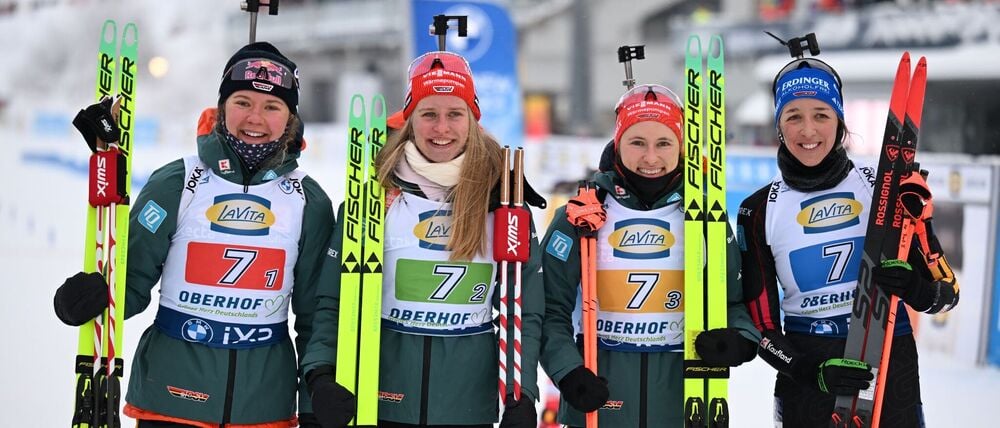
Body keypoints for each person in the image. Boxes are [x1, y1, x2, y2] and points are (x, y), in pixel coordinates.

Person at [53, 42, 335, 427]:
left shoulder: (308, 200)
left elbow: (315, 314)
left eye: (272, 107)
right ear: (222, 107)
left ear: (289, 118)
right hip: (171, 399)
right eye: (242, 102)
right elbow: (128, 281)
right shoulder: (179, 181)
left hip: (263, 405)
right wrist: (88, 298)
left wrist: (315, 398)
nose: (255, 117)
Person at [301, 50, 546, 428]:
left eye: (454, 114)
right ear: (411, 120)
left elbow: (524, 311)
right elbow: (335, 300)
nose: (441, 128)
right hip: (378, 400)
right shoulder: (375, 196)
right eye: (429, 114)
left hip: (467, 406)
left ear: (472, 119)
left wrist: (523, 395)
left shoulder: (503, 200)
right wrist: (321, 375)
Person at [737, 56, 960, 427]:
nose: (808, 130)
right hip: (807, 369)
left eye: (821, 115)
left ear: (840, 121)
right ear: (778, 125)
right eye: (793, 116)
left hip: (889, 354)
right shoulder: (758, 210)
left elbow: (946, 294)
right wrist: (811, 371)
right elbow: (761, 328)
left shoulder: (884, 188)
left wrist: (913, 286)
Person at [538, 83, 761, 427]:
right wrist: (569, 372)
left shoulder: (705, 219)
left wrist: (740, 340)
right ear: (617, 143)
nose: (651, 158)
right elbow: (549, 310)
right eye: (637, 142)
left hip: (681, 404)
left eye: (664, 143)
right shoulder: (581, 216)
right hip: (600, 402)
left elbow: (731, 302)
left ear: (681, 147)